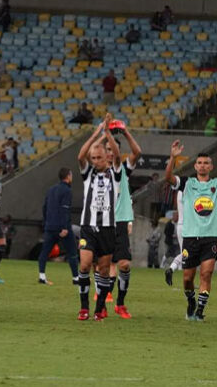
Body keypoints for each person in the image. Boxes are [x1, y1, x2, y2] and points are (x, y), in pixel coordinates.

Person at [164, 139, 217, 321]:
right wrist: (172, 158)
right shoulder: (187, 183)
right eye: (199, 163)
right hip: (191, 238)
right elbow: (168, 178)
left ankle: (200, 310)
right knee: (187, 279)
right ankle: (191, 301)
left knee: (206, 274)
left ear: (211, 166)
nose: (202, 166)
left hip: (210, 238)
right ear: (195, 166)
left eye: (206, 163)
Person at [75, 114, 122, 321]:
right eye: (93, 158)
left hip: (107, 228)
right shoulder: (88, 173)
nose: (95, 161)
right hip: (88, 225)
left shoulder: (116, 173)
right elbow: (80, 156)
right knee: (84, 265)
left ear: (107, 157)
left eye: (99, 158)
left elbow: (119, 156)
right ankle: (84, 307)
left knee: (104, 271)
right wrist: (96, 134)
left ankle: (99, 308)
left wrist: (107, 135)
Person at [105, 123, 142, 319]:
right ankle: (102, 300)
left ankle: (120, 303)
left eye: (114, 149)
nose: (111, 153)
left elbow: (137, 152)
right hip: (102, 222)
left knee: (124, 264)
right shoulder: (96, 172)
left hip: (119, 221)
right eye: (108, 149)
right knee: (104, 265)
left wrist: (126, 131)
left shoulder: (123, 170)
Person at [39, 167, 77, 286]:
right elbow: (64, 209)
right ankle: (76, 278)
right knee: (72, 252)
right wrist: (65, 227)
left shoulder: (51, 189)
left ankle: (42, 276)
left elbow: (44, 207)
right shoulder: (67, 191)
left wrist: (46, 222)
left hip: (50, 226)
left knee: (45, 252)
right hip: (62, 227)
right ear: (68, 176)